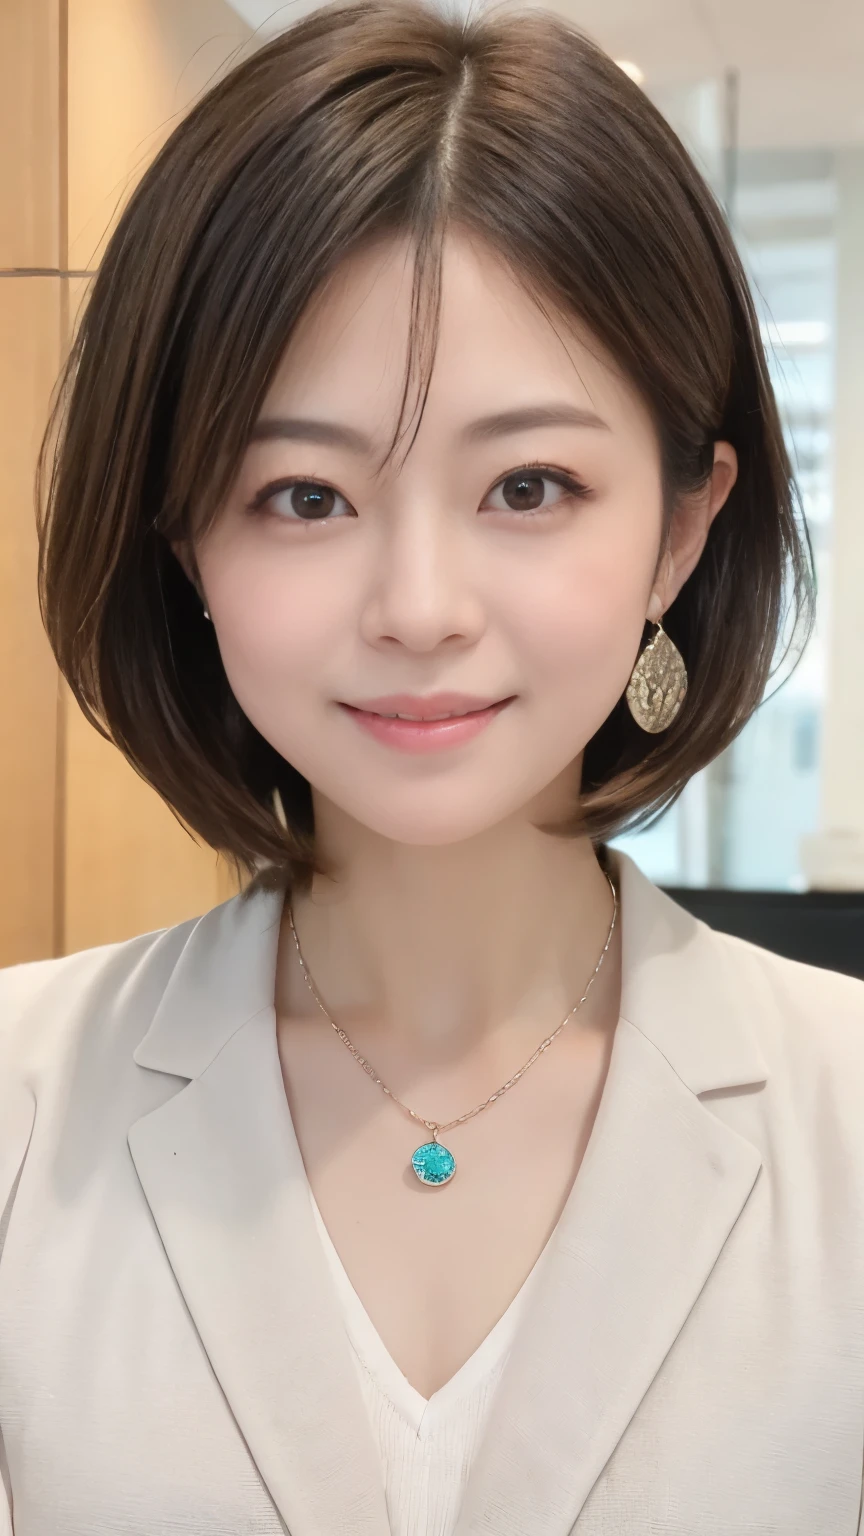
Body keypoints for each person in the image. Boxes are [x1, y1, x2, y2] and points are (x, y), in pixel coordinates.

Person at [2, 0, 863, 1530]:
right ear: (180, 537)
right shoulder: (19, 1104)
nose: (417, 610)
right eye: (304, 495)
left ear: (681, 524)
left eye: (527, 485)